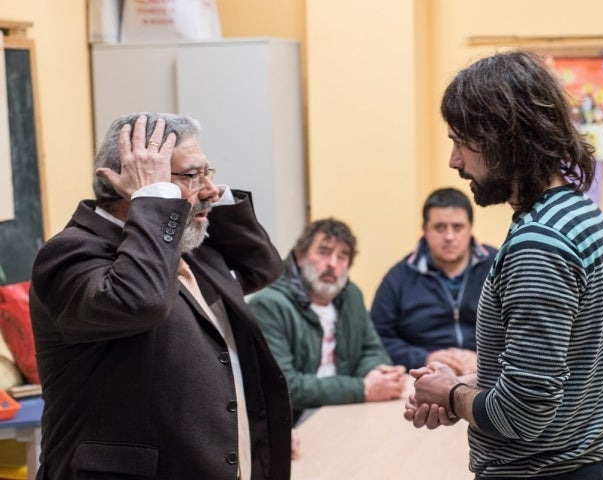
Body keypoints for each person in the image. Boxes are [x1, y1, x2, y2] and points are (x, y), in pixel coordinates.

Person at [29, 113, 293, 480]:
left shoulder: (183, 248)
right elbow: (140, 302)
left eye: (207, 172)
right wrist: (153, 199)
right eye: (190, 175)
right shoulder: (70, 254)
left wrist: (201, 192)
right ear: (130, 185)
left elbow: (262, 267)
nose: (209, 189)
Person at [404, 50, 603, 479]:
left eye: (459, 141)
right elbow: (558, 370)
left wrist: (451, 395)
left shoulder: (539, 246)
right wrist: (467, 384)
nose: (454, 161)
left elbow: (522, 415)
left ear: (503, 138)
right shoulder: (580, 215)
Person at [249, 218, 406, 425]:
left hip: (347, 410)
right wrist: (363, 388)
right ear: (299, 257)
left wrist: (378, 373)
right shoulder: (269, 305)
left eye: (342, 257)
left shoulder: (351, 296)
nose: (333, 264)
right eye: (324, 252)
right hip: (293, 423)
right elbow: (285, 386)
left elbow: (372, 350)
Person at [370, 187, 497, 374]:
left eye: (458, 227)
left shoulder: (499, 266)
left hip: (490, 375)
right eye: (440, 227)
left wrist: (486, 359)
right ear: (424, 229)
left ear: (470, 228)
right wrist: (424, 358)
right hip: (421, 376)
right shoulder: (398, 278)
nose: (449, 237)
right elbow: (377, 338)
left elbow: (525, 329)